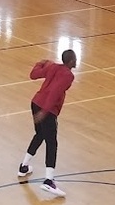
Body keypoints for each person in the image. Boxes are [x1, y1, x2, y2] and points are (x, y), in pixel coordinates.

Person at [18, 48, 77, 197]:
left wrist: (40, 63)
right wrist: (45, 113)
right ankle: (48, 181)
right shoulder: (68, 75)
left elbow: (33, 75)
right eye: (75, 59)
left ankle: (24, 167)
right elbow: (55, 92)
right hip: (47, 109)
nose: (76, 61)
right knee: (52, 143)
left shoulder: (52, 66)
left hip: (36, 102)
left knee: (40, 135)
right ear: (70, 61)